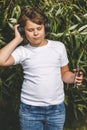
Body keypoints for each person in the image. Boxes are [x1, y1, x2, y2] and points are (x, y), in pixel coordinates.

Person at [0, 7, 83, 130]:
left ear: (46, 27)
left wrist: (74, 78)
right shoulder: (23, 51)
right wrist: (17, 39)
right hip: (30, 111)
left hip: (56, 110)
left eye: (39, 28)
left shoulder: (59, 47)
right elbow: (1, 60)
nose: (36, 33)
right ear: (23, 31)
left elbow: (64, 73)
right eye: (30, 30)